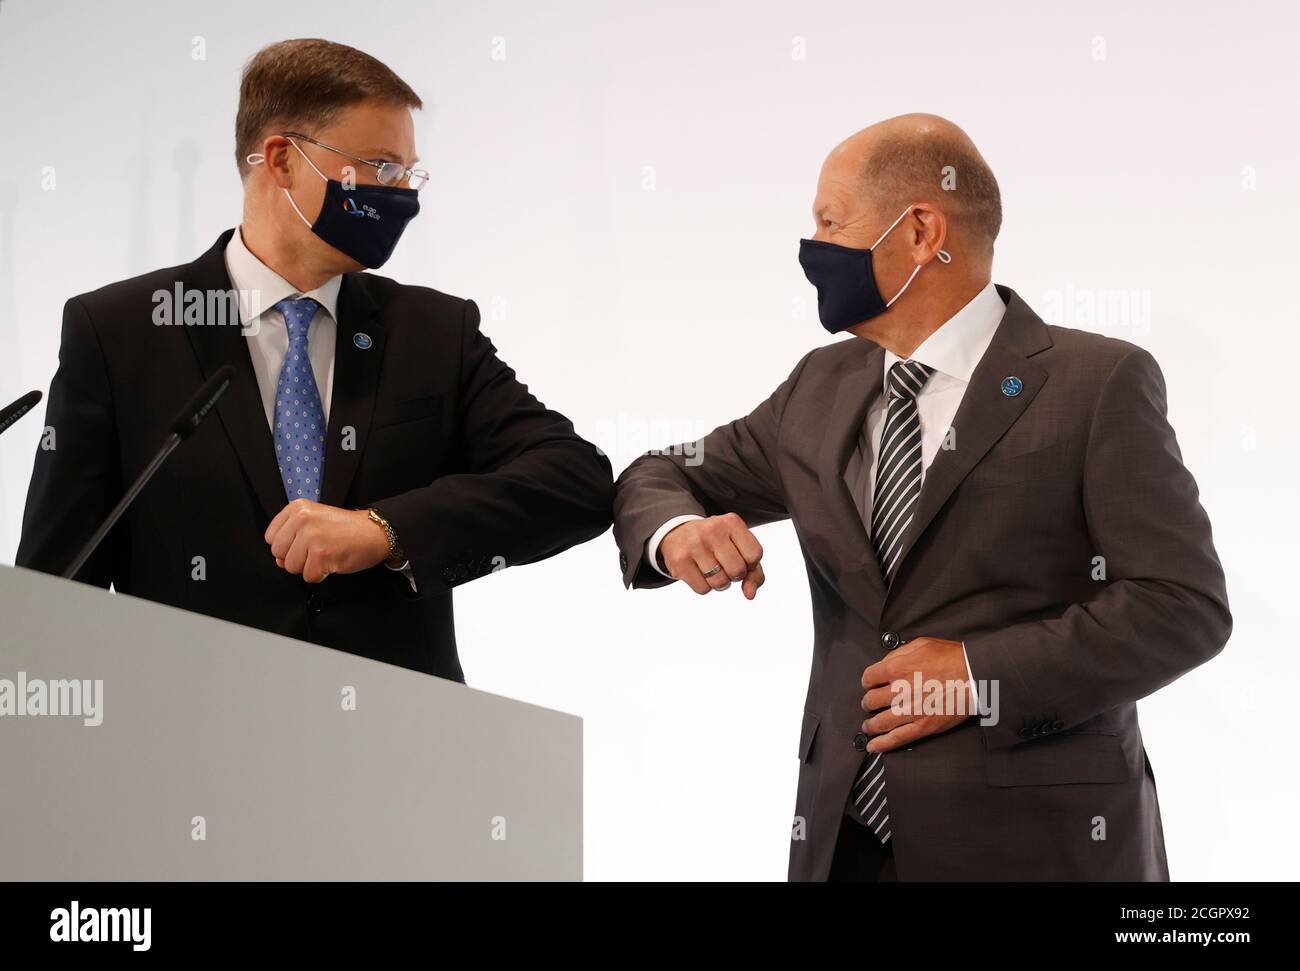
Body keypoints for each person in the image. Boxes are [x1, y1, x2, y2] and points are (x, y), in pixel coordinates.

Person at [612, 113, 1230, 880]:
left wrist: (977, 673)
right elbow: (662, 470)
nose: (812, 248)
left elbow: (1183, 605)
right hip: (845, 842)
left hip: (1039, 848)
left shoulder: (1097, 383)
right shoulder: (819, 385)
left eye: (829, 221)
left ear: (919, 231)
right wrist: (677, 531)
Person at [17, 38, 614, 682]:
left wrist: (384, 530)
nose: (401, 195)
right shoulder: (119, 332)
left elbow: (574, 480)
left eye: (408, 174)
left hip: (401, 750)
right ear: (281, 159)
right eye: (381, 167)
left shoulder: (434, 331)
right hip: (183, 749)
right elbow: (54, 593)